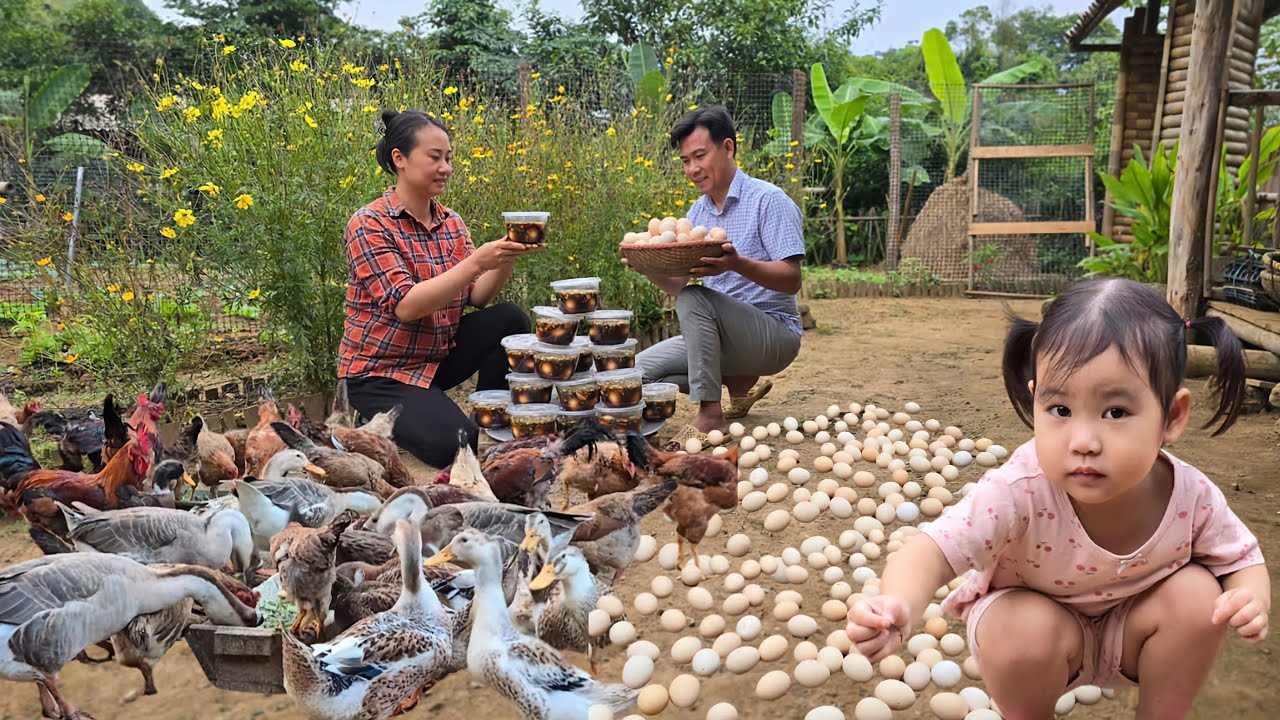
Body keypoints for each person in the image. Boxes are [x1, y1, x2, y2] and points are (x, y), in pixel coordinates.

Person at [845, 278, 1269, 719]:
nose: (1083, 441)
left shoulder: (1191, 496)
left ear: (1172, 416)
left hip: (1136, 636)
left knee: (1200, 596)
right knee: (1017, 628)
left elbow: (1242, 560)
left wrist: (1250, 597)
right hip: (1038, 642)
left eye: (1116, 412)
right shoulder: (1019, 489)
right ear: (1036, 404)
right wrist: (898, 602)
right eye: (1060, 410)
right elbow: (931, 550)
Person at [339, 110, 539, 468]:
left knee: (509, 320)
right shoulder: (369, 224)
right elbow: (406, 306)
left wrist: (505, 255)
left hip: (436, 357)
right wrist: (477, 261)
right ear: (399, 159)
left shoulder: (451, 222)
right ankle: (376, 426)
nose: (445, 168)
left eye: (448, 158)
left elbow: (478, 297)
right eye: (434, 157)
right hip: (381, 373)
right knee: (457, 444)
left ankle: (491, 415)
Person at [633, 106, 804, 450]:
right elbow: (679, 285)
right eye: (685, 161)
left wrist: (737, 264)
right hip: (721, 339)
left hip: (774, 334)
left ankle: (711, 414)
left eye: (700, 156)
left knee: (695, 298)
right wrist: (647, 266)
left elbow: (791, 279)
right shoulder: (697, 213)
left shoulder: (768, 201)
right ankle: (738, 383)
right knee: (637, 372)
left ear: (727, 148)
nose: (692, 169)